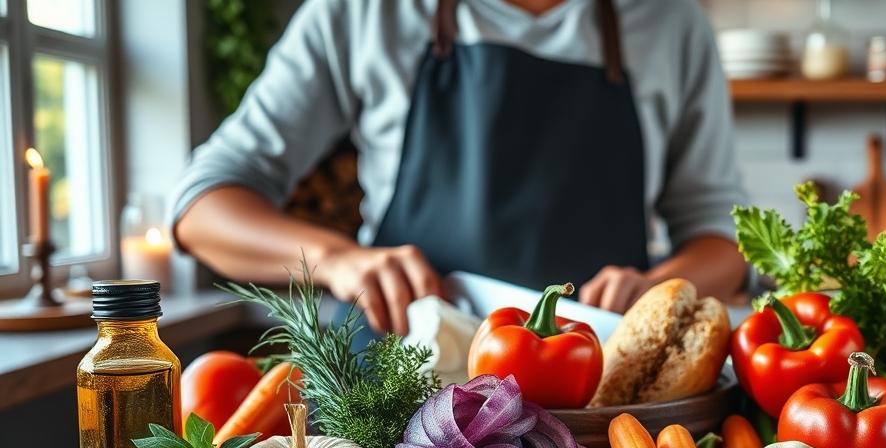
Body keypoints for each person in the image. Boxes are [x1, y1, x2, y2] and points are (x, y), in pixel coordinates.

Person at [172, 0, 746, 336]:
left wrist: (657, 291)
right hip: (399, 393)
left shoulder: (670, 22)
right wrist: (336, 259)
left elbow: (723, 236)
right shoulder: (364, 13)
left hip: (596, 398)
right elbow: (203, 206)